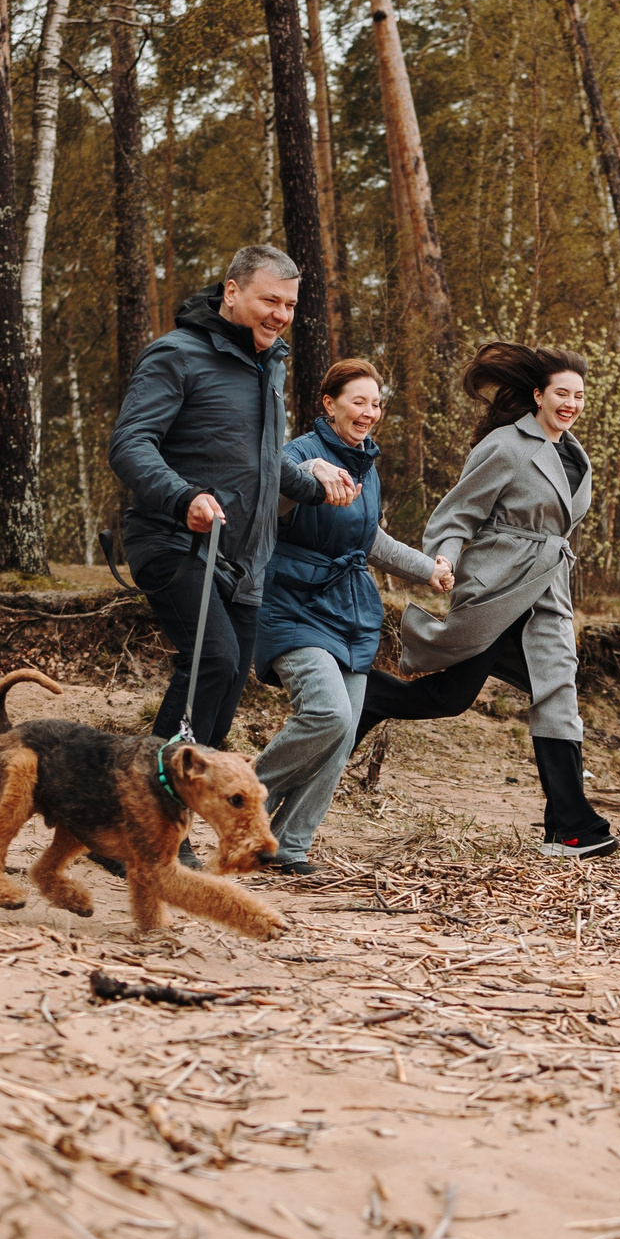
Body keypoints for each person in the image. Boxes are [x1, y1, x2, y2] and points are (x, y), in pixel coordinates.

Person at [352, 342, 615, 858]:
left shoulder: (574, 452)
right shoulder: (506, 445)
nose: (571, 402)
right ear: (538, 395)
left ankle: (570, 826)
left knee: (557, 686)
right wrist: (442, 561)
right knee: (450, 699)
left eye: (579, 395)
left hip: (548, 586)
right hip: (499, 583)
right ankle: (371, 698)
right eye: (562, 392)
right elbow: (456, 516)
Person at [109, 245, 360, 755]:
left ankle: (151, 819)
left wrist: (315, 487)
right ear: (231, 291)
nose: (282, 316)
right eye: (271, 301)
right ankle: (147, 812)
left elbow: (264, 461)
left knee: (224, 691)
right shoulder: (176, 354)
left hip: (245, 559)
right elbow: (130, 444)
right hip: (176, 539)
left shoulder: (269, 367)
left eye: (290, 305)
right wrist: (185, 499)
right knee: (212, 662)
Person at [248, 360, 453, 874]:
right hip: (293, 601)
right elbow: (266, 507)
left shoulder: (367, 466)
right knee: (328, 714)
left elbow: (370, 540)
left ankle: (286, 847)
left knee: (343, 733)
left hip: (350, 609)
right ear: (329, 403)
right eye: (358, 401)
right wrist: (308, 476)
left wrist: (428, 569)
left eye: (376, 403)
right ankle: (242, 800)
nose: (369, 412)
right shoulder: (297, 454)